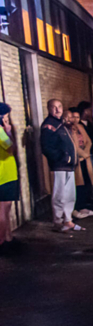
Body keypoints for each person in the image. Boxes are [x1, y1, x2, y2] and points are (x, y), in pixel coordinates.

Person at [41, 99, 83, 232]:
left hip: (68, 165)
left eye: (59, 106)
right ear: (48, 109)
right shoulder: (48, 125)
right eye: (54, 107)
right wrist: (62, 157)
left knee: (69, 195)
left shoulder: (61, 124)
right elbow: (46, 147)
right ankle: (58, 221)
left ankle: (68, 220)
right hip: (59, 165)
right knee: (59, 194)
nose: (57, 110)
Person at [67, 107, 93, 219]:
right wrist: (82, 153)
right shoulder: (68, 129)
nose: (75, 119)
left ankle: (83, 206)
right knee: (78, 184)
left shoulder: (80, 127)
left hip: (85, 158)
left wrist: (86, 152)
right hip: (77, 160)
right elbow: (73, 145)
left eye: (77, 117)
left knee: (86, 182)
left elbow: (89, 141)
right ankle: (76, 208)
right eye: (73, 117)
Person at [0, 102, 19, 254]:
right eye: (5, 116)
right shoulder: (0, 132)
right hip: (5, 175)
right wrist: (8, 131)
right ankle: (3, 241)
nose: (7, 119)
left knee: (5, 210)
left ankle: (8, 237)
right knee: (3, 210)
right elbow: (10, 147)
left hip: (6, 174)